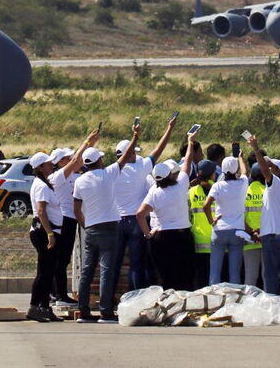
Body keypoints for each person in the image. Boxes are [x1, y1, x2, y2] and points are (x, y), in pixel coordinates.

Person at [73, 124, 136, 323]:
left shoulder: (80, 181)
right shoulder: (107, 173)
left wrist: (85, 224)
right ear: (99, 161)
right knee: (107, 270)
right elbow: (125, 156)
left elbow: (76, 208)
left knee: (87, 270)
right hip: (109, 227)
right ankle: (105, 311)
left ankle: (83, 311)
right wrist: (135, 136)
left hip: (90, 228)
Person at [112, 116, 177, 292]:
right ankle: (135, 297)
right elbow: (159, 149)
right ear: (130, 153)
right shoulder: (140, 167)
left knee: (113, 264)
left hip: (117, 220)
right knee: (136, 264)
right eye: (134, 152)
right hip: (136, 221)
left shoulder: (111, 171)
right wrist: (169, 128)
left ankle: (108, 303)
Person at [136, 149, 194, 291]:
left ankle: (168, 308)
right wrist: (190, 143)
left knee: (165, 277)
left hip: (161, 237)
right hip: (182, 235)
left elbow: (140, 214)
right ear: (170, 175)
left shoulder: (154, 192)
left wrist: (147, 234)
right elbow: (187, 162)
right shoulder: (181, 185)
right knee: (185, 276)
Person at [247, 136, 280, 299]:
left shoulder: (276, 184)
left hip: (272, 238)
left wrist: (255, 148)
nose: (265, 168)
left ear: (276, 170)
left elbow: (265, 170)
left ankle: (273, 305)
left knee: (270, 275)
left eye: (270, 166)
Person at [26, 152, 63, 322]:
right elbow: (41, 211)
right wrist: (50, 234)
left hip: (50, 231)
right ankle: (34, 307)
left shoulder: (44, 183)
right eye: (48, 163)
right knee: (43, 271)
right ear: (40, 167)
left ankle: (45, 307)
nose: (51, 165)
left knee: (48, 271)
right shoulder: (40, 186)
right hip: (43, 232)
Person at [203, 148, 249, 285]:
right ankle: (234, 301)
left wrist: (211, 220)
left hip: (220, 229)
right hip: (237, 231)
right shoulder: (242, 183)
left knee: (215, 272)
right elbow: (245, 172)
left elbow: (206, 206)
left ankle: (214, 301)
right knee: (234, 274)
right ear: (235, 171)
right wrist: (240, 157)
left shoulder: (217, 186)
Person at [47, 145, 82, 308]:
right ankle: (59, 294)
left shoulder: (74, 176)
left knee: (64, 259)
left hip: (72, 218)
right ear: (60, 162)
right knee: (60, 260)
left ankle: (56, 293)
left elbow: (79, 162)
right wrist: (88, 142)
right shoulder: (57, 177)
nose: (71, 160)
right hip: (64, 219)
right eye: (67, 158)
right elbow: (76, 161)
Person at [188, 160, 218, 289]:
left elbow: (187, 216)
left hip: (198, 241)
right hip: (216, 241)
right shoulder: (218, 188)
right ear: (212, 174)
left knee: (201, 280)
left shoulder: (191, 191)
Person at [243, 159, 265, 287]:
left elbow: (241, 217)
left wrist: (252, 232)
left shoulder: (244, 191)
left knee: (250, 277)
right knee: (267, 276)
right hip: (265, 237)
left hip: (249, 239)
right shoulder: (268, 190)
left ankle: (248, 304)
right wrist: (260, 231)